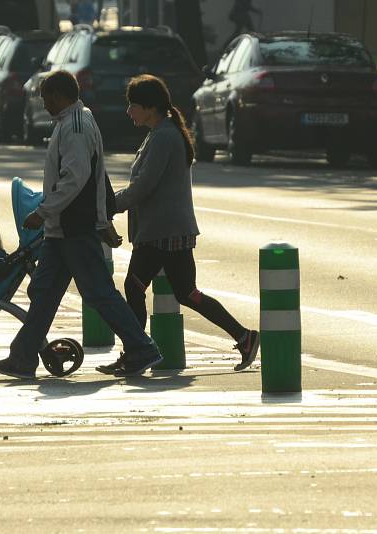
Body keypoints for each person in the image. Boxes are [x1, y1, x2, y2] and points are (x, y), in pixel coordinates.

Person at [0, 70, 163, 379]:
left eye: (45, 98)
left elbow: (76, 177)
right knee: (43, 292)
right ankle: (23, 357)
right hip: (59, 230)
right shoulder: (69, 123)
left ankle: (141, 348)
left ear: (59, 94)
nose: (43, 105)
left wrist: (44, 211)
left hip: (73, 227)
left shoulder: (77, 126)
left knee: (98, 292)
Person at [95, 74, 259, 374]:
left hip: (162, 232)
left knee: (134, 287)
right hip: (170, 231)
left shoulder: (165, 137)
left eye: (133, 105)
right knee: (187, 293)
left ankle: (137, 352)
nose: (129, 112)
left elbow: (144, 185)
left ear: (150, 107)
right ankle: (244, 336)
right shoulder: (160, 133)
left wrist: (109, 206)